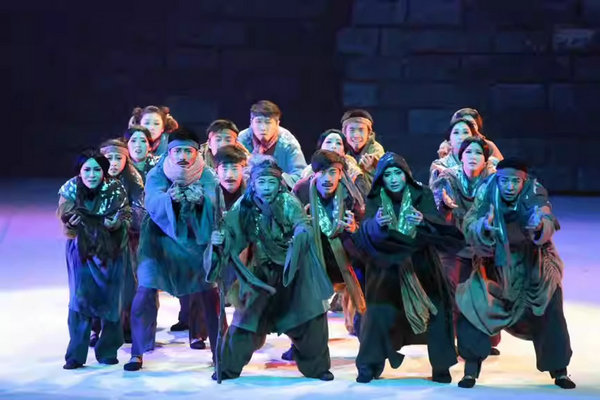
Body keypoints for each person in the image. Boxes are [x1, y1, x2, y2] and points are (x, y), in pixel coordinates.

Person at [206, 155, 334, 381]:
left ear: (279, 183)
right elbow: (231, 232)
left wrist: (301, 233)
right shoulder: (244, 205)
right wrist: (220, 240)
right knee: (245, 324)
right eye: (261, 182)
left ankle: (318, 368)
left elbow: (301, 223)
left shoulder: (288, 202)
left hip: (292, 273)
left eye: (271, 182)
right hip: (261, 276)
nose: (266, 187)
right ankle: (227, 367)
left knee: (310, 321)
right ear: (253, 184)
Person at [455, 158, 575, 389]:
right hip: (495, 267)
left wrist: (539, 225)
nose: (509, 186)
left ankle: (559, 371)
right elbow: (471, 220)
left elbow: (546, 215)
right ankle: (471, 370)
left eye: (515, 181)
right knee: (474, 307)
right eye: (505, 181)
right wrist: (482, 227)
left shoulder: (534, 191)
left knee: (550, 313)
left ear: (523, 181)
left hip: (534, 267)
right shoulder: (486, 190)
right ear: (497, 179)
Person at [352, 152, 462, 384]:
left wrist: (423, 221)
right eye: (388, 174)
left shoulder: (422, 194)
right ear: (381, 178)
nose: (393, 179)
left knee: (437, 310)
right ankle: (369, 364)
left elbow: (441, 230)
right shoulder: (375, 198)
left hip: (421, 266)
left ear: (406, 175)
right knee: (377, 314)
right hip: (386, 267)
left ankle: (441, 366)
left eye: (398, 173)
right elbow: (362, 237)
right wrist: (375, 225)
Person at [124, 127, 220, 371]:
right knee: (144, 291)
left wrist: (202, 200)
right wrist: (169, 199)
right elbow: (152, 200)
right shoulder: (158, 172)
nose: (182, 156)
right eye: (177, 151)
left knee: (210, 294)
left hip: (194, 243)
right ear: (169, 152)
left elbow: (215, 202)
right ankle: (137, 352)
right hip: (158, 243)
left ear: (197, 152)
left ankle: (220, 351)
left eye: (188, 151)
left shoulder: (207, 174)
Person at [58, 150, 131, 369]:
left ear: (104, 171)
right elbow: (65, 220)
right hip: (83, 251)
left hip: (113, 250)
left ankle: (108, 350)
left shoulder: (116, 188)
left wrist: (117, 223)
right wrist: (71, 223)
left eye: (97, 170)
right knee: (80, 300)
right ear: (79, 172)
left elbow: (127, 214)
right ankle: (76, 354)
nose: (92, 175)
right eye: (87, 169)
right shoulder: (70, 189)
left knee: (112, 300)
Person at [430, 137, 500, 354]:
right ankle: (448, 341)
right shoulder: (448, 178)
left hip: (483, 245)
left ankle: (481, 341)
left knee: (484, 294)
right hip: (454, 244)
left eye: (478, 153)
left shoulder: (493, 181)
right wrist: (444, 205)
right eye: (468, 152)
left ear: (485, 160)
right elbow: (438, 205)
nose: (473, 157)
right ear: (461, 157)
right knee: (451, 291)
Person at [294, 150, 366, 334]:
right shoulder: (302, 192)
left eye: (333, 172)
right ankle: (303, 336)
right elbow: (287, 228)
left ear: (340, 174)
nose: (328, 178)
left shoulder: (350, 196)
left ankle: (361, 324)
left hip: (345, 259)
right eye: (323, 172)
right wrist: (302, 226)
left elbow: (366, 231)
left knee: (368, 269)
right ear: (314, 174)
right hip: (314, 258)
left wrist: (354, 229)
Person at [238, 100, 307, 187]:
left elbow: (301, 175)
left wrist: (276, 179)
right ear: (251, 122)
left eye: (268, 122)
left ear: (277, 123)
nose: (263, 128)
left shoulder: (288, 143)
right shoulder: (242, 140)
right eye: (258, 122)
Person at [436, 108, 503, 163]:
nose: (467, 126)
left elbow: (501, 168)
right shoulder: (447, 147)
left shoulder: (488, 145)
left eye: (472, 124)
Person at [340, 109, 384, 187]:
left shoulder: (376, 152)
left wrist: (371, 170)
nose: (356, 135)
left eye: (361, 130)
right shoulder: (340, 147)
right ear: (344, 132)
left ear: (369, 133)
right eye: (352, 130)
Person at [429, 118, 479, 187]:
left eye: (465, 132)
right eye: (456, 133)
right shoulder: (440, 165)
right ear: (449, 139)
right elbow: (437, 191)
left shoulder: (481, 163)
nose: (461, 137)